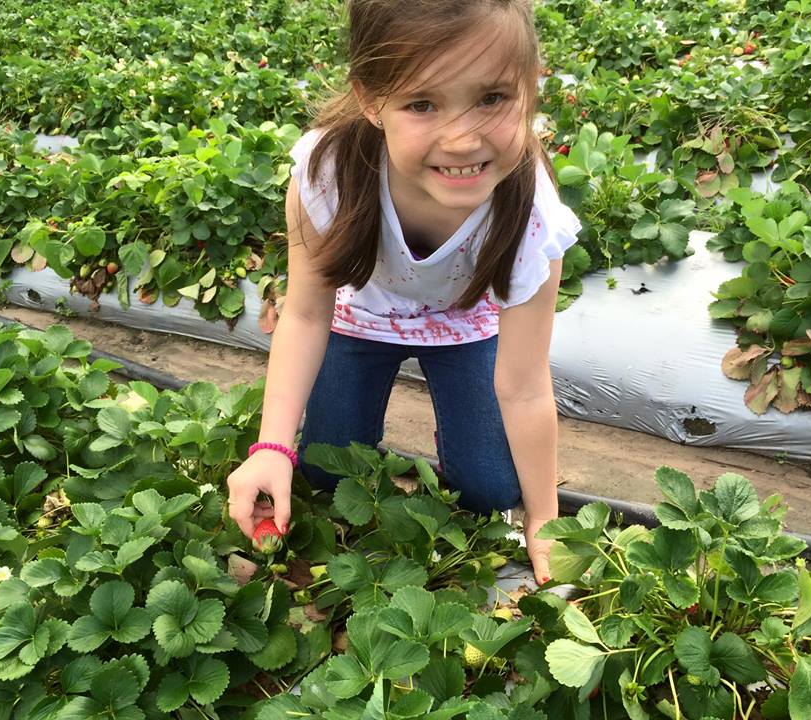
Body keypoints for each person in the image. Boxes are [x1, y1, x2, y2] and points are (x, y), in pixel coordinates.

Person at [227, 0, 581, 585]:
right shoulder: (327, 175)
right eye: (422, 103)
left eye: (492, 98)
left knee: (492, 490)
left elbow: (524, 386)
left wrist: (544, 518)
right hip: (360, 317)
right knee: (324, 473)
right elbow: (307, 316)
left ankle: (459, 437)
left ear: (531, 83)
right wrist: (271, 447)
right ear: (371, 99)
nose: (463, 140)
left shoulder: (532, 214)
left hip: (465, 325)